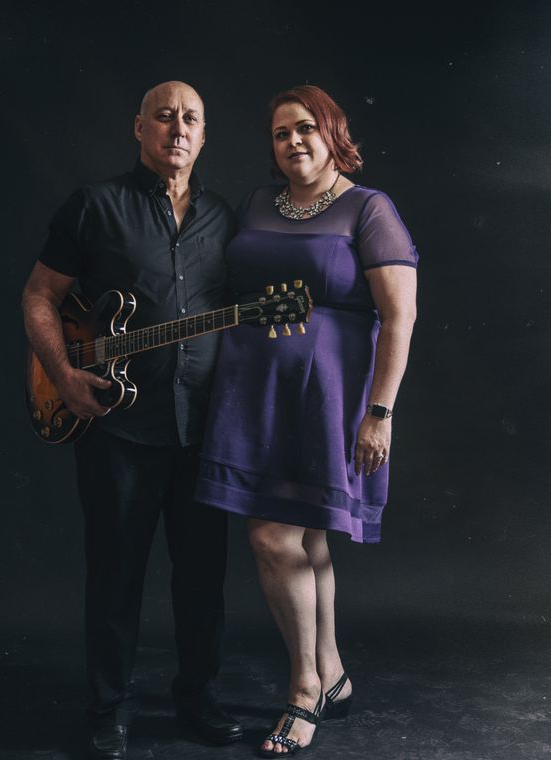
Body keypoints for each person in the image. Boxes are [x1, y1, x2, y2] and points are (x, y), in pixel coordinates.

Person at [22, 81, 243, 760]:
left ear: (203, 135)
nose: (178, 128)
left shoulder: (223, 217)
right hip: (117, 429)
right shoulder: (95, 206)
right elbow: (39, 295)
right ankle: (109, 709)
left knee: (202, 579)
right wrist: (63, 376)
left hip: (200, 428)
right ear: (139, 128)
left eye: (191, 118)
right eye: (164, 116)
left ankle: (196, 699)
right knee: (116, 576)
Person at [196, 85, 418, 756]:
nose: (293, 141)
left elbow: (399, 316)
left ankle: (303, 690)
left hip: (329, 396)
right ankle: (333, 675)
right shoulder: (257, 204)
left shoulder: (368, 208)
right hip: (255, 393)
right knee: (307, 540)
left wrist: (380, 412)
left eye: (305, 128)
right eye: (280, 133)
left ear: (331, 133)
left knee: (273, 537)